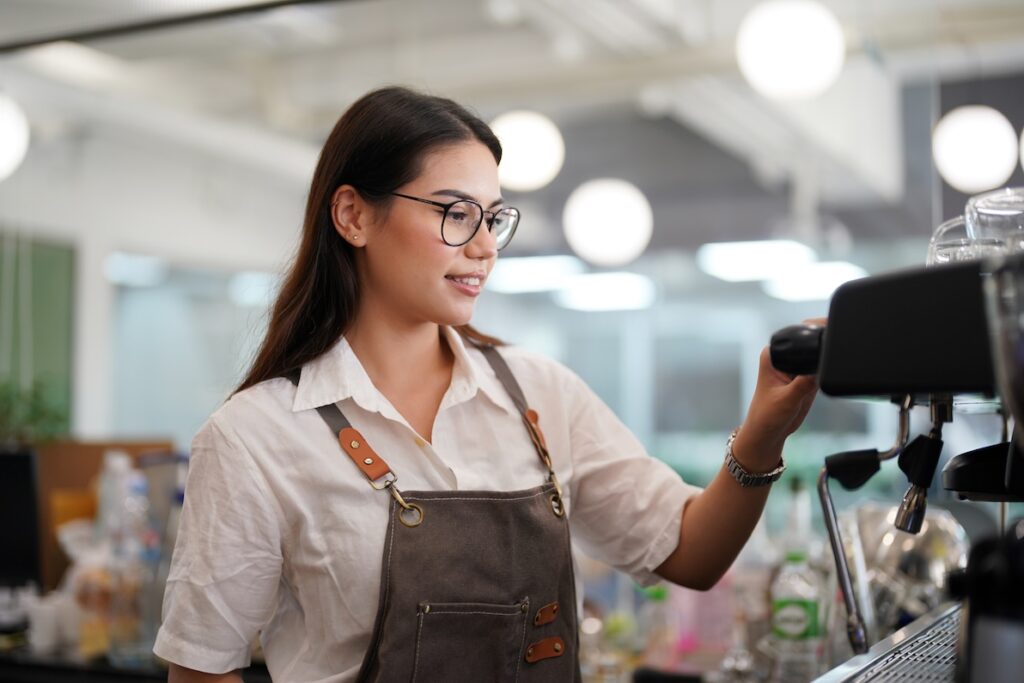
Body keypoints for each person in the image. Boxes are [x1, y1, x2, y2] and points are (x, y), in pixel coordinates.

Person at [154, 86, 818, 683]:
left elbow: (690, 552)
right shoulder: (253, 437)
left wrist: (764, 430)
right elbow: (200, 667)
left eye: (492, 218)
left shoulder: (541, 395)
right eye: (454, 212)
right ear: (353, 215)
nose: (484, 246)